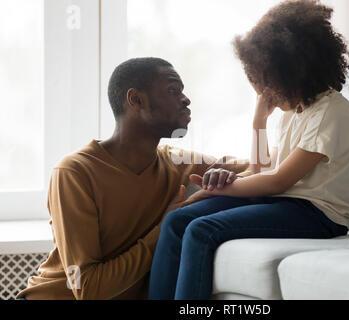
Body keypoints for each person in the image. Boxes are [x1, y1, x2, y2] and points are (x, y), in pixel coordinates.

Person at [148, 0, 349, 300]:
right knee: (176, 222)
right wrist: (259, 122)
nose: (265, 95)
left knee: (202, 231)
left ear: (295, 73)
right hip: (284, 201)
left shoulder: (331, 115)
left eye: (269, 86)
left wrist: (225, 190)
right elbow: (262, 169)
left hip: (318, 215)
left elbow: (278, 181)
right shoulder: (299, 110)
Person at [16, 57, 248, 300]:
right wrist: (164, 227)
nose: (186, 99)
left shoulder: (182, 163)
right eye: (173, 90)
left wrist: (259, 123)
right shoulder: (74, 173)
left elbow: (267, 166)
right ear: (136, 99)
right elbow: (87, 289)